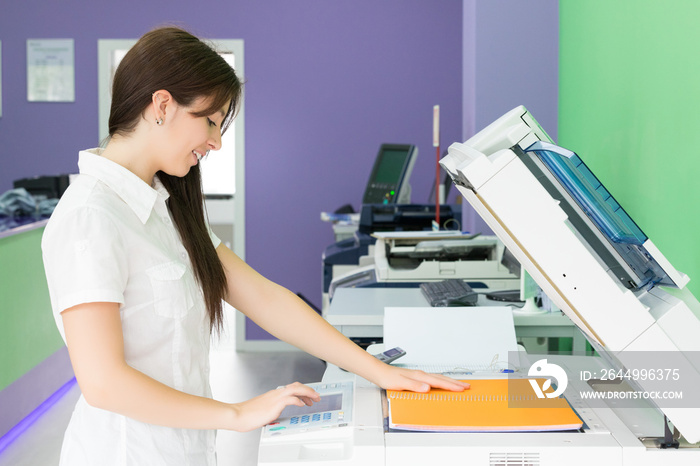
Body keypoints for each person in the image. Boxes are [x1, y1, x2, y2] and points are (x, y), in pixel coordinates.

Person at [41, 26, 469, 465]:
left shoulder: (166, 207)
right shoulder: (91, 216)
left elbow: (264, 298)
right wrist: (239, 412)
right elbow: (103, 382)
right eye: (210, 120)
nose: (217, 141)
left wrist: (381, 372)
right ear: (162, 105)